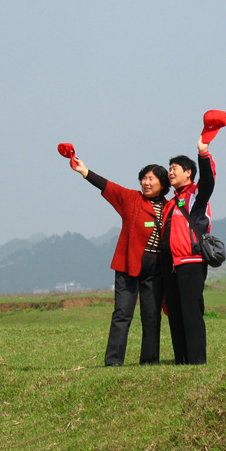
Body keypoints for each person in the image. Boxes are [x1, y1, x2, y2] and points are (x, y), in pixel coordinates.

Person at [71, 152, 170, 366]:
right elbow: (109, 187)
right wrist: (85, 172)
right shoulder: (132, 199)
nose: (146, 182)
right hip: (128, 265)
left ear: (162, 184)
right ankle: (114, 361)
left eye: (151, 179)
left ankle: (150, 361)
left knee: (151, 316)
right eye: (143, 178)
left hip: (156, 270)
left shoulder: (169, 207)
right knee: (123, 313)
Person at [160, 136, 217, 365]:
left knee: (191, 313)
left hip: (192, 262)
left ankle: (196, 360)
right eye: (170, 169)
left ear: (188, 173)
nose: (170, 173)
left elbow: (209, 182)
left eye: (175, 169)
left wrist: (203, 153)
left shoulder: (196, 195)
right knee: (175, 314)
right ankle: (181, 360)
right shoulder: (170, 203)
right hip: (171, 266)